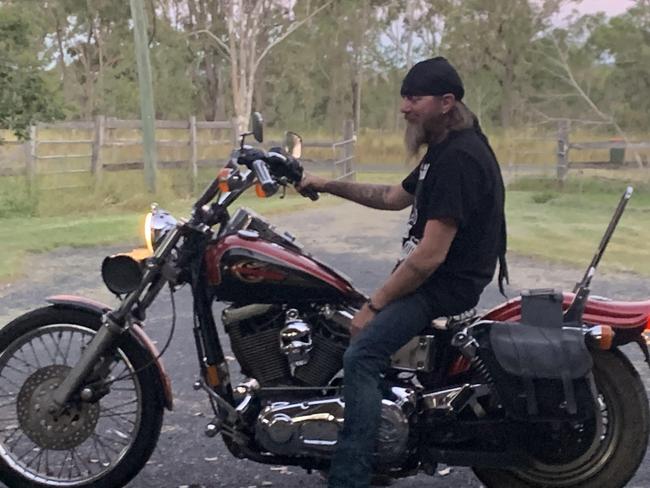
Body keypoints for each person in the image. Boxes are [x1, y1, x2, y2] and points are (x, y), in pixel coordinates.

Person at [297, 56, 507, 488]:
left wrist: (374, 306)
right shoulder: (445, 149)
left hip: (443, 286)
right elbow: (394, 196)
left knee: (361, 353)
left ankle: (352, 477)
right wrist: (326, 184)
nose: (404, 108)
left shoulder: (459, 158)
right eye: (404, 98)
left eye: (414, 98)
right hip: (439, 280)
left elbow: (429, 256)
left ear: (446, 102)